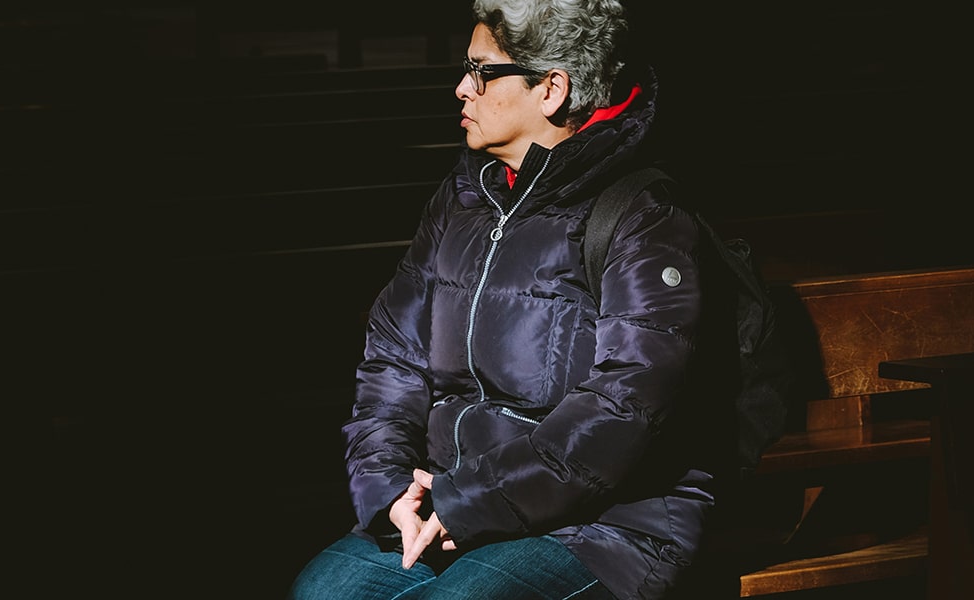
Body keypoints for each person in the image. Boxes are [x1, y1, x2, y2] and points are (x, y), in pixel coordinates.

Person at [288, 1, 733, 598]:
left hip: (606, 526)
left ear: (551, 90)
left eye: (482, 71)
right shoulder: (462, 198)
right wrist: (392, 486)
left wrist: (464, 504)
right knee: (321, 592)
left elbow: (623, 406)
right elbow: (394, 356)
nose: (460, 89)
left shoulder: (642, 216)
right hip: (450, 495)